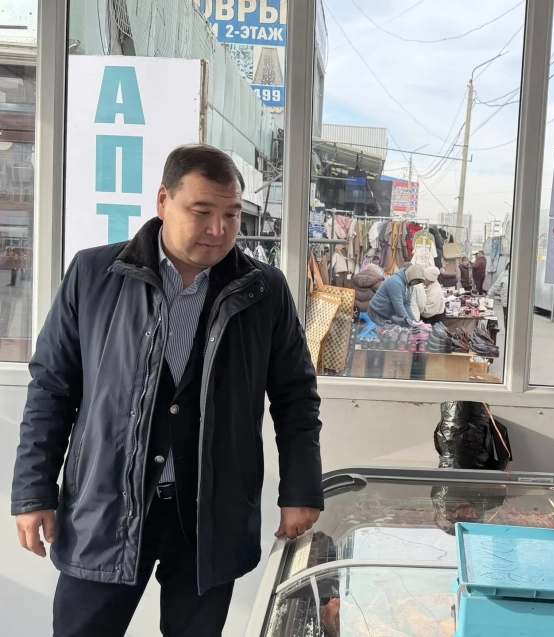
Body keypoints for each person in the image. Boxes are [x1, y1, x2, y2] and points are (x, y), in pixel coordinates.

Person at [11, 144, 323, 637]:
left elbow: (296, 398)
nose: (218, 229)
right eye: (202, 211)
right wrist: (33, 491)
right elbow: (52, 389)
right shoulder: (94, 274)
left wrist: (301, 490)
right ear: (163, 201)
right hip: (106, 507)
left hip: (209, 513)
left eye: (231, 214)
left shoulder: (263, 290)